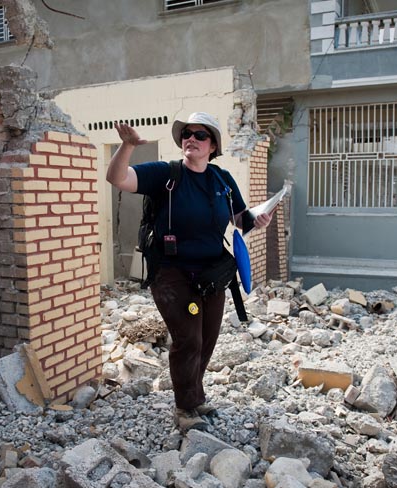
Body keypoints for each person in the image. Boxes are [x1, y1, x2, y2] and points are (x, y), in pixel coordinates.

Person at [106, 112, 273, 432]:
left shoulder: (222, 179)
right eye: (186, 134)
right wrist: (126, 146)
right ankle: (184, 408)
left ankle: (195, 398)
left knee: (207, 339)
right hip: (171, 274)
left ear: (213, 146)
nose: (190, 139)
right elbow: (118, 178)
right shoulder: (165, 174)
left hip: (213, 274)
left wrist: (257, 217)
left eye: (199, 135)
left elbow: (240, 219)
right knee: (188, 338)